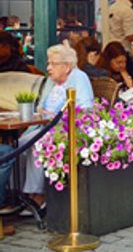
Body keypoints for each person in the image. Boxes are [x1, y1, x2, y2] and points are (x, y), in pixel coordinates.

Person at [19, 44, 93, 213]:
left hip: (64, 130)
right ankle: (23, 193)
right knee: (19, 143)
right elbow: (42, 107)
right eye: (48, 63)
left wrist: (54, 116)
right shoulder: (52, 83)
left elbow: (85, 110)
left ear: (66, 67)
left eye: (53, 64)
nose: (48, 68)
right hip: (44, 127)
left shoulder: (79, 78)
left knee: (35, 144)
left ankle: (38, 195)